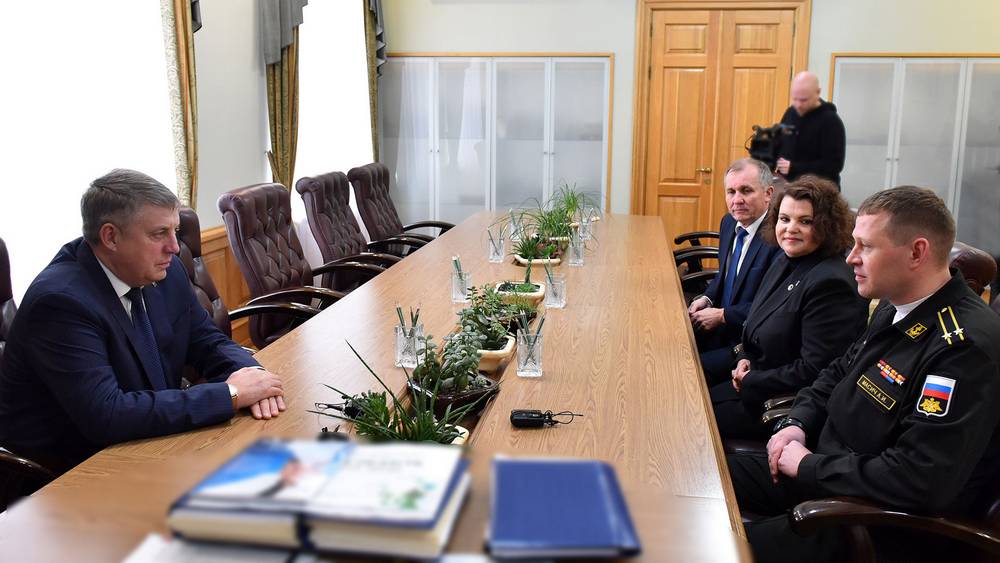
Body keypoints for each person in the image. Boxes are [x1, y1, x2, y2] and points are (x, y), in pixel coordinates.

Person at [727, 186, 1000, 562]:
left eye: (866, 247)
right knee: (705, 480)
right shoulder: (895, 305)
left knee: (712, 550)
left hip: (872, 522)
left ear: (916, 252)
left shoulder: (962, 348)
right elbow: (837, 371)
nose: (850, 257)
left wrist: (808, 466)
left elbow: (918, 478)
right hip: (829, 474)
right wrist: (797, 422)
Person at [0, 169, 287, 473]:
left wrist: (252, 376)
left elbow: (207, 339)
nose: (175, 247)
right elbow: (106, 415)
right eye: (159, 234)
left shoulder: (164, 269)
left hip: (148, 443)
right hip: (68, 470)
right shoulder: (61, 303)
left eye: (175, 231)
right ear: (110, 236)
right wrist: (230, 394)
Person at [709, 176, 867, 440]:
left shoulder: (831, 282)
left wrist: (751, 379)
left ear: (827, 225)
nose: (790, 229)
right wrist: (744, 357)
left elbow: (815, 371)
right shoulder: (785, 259)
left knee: (689, 417)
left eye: (805, 221)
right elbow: (756, 323)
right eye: (784, 219)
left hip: (780, 405)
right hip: (756, 381)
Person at [690, 158, 782, 384]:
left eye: (746, 191)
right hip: (718, 328)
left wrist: (722, 315)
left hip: (748, 344)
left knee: (687, 371)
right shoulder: (729, 223)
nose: (737, 200)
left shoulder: (778, 237)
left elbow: (773, 306)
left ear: (768, 193)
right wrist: (706, 298)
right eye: (731, 192)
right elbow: (724, 276)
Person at [775, 72, 846, 187]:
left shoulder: (831, 121)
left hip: (820, 190)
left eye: (803, 100)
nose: (798, 104)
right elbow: (780, 141)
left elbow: (833, 165)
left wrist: (794, 167)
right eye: (795, 99)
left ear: (817, 92)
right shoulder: (790, 113)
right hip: (789, 186)